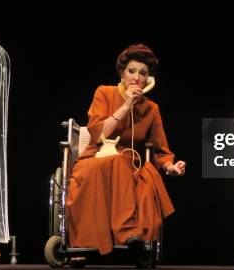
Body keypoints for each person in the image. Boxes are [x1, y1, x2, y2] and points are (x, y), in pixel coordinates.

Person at [67, 44, 186, 256]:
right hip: (95, 159)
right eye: (131, 71)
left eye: (143, 73)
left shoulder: (151, 108)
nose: (136, 78)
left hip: (128, 164)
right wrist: (125, 106)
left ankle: (135, 237)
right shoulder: (104, 92)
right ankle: (127, 232)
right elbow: (97, 133)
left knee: (147, 176)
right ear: (122, 74)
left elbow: (160, 150)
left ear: (149, 80)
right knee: (118, 163)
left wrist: (170, 166)